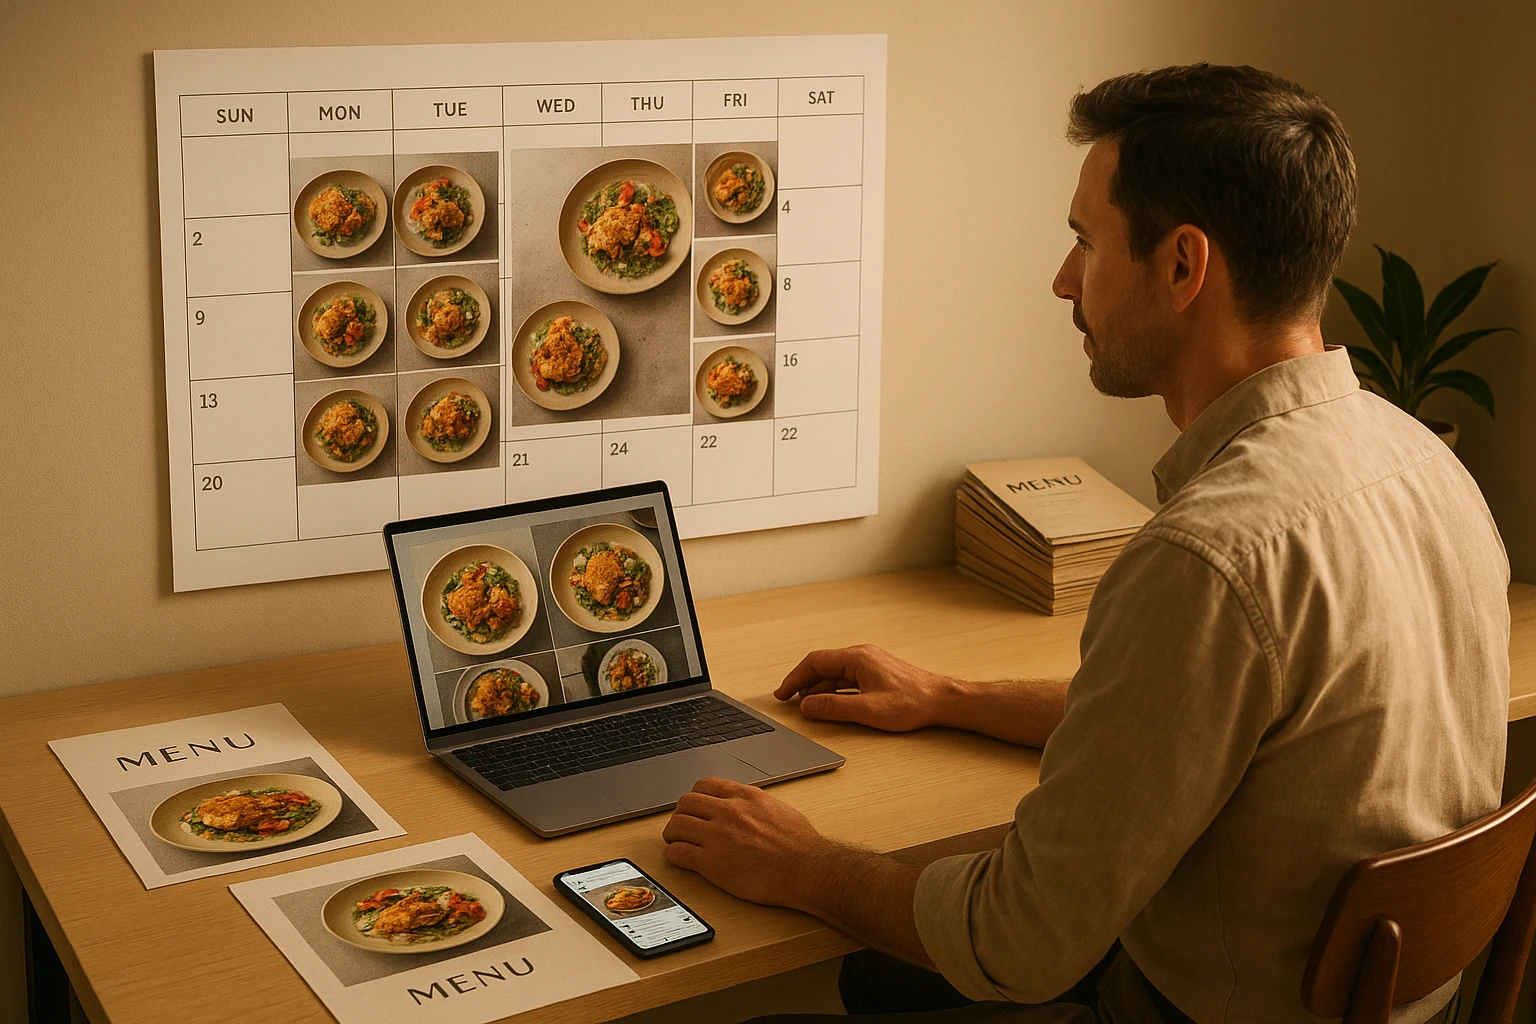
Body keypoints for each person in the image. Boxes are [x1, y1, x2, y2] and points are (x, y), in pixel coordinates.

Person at [659, 63, 1511, 1023]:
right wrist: (949, 695)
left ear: (1184, 266)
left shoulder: (1209, 558)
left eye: (1084, 240)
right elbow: (1190, 724)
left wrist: (804, 864)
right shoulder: (1419, 458)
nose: (1062, 278)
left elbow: (1012, 944)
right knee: (881, 976)